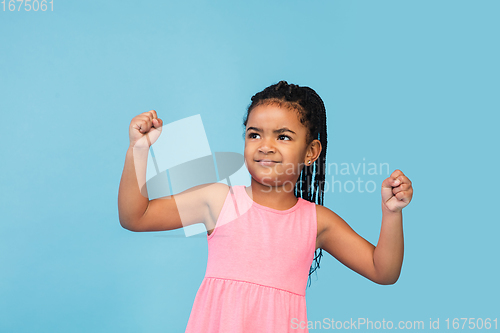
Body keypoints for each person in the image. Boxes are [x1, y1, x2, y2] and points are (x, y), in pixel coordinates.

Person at [118, 81, 413, 332]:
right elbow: (136, 216)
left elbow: (382, 271)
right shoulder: (218, 201)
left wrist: (391, 214)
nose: (265, 145)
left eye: (282, 136)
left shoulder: (317, 222)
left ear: (311, 151)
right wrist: (139, 150)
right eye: (254, 134)